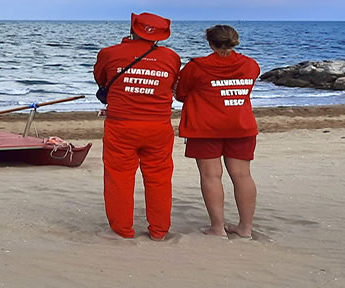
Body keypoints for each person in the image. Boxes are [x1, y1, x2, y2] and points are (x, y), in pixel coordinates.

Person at [93, 12, 183, 240]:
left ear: (132, 28)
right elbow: (172, 85)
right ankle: (159, 231)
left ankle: (123, 229)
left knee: (119, 177)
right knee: (159, 178)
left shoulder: (109, 53)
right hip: (158, 126)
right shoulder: (171, 57)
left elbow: (101, 79)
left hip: (121, 125)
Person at [175, 24, 261, 239]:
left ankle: (217, 227)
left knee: (211, 175)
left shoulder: (197, 67)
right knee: (242, 175)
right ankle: (245, 228)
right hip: (240, 125)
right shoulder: (250, 65)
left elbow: (181, 93)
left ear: (210, 43)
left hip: (205, 126)